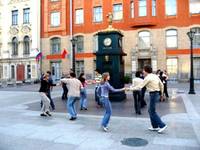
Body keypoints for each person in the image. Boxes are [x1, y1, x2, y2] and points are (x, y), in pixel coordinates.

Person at [128, 65, 167, 133]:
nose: (143, 71)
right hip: (156, 93)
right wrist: (162, 94)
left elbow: (140, 87)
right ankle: (154, 126)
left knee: (152, 111)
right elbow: (162, 85)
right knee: (151, 110)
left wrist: (129, 89)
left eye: (143, 70)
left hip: (153, 94)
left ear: (146, 71)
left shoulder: (147, 78)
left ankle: (162, 125)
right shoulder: (155, 76)